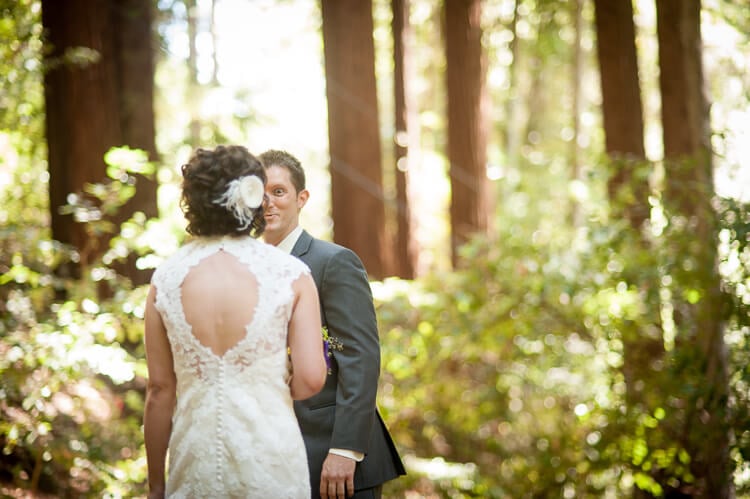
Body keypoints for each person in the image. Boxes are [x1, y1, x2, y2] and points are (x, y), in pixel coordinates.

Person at [143, 145, 327, 498]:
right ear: (254, 197)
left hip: (193, 460)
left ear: (193, 200)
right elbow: (310, 379)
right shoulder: (291, 274)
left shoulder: (165, 279)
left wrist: (155, 486)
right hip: (271, 458)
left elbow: (159, 391)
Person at [259, 149, 406, 499]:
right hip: (273, 454)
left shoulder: (333, 262)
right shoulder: (248, 270)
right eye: (258, 194)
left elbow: (360, 356)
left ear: (301, 198)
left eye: (278, 192)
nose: (268, 203)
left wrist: (345, 449)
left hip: (334, 456)